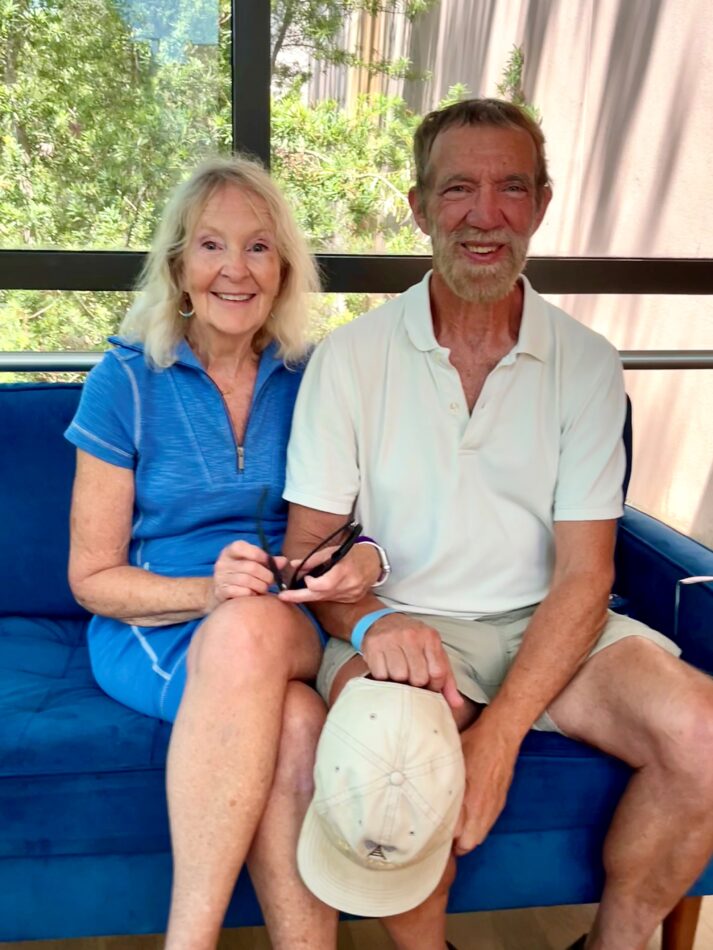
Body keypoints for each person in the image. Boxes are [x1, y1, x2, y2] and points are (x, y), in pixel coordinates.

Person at [279, 99, 713, 950]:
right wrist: (372, 620)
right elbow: (307, 558)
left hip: (550, 623)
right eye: (458, 190)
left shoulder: (585, 363)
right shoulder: (350, 359)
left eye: (511, 188)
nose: (485, 216)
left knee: (702, 734)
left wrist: (500, 735)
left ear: (541, 204)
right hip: (404, 626)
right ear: (418, 207)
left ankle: (615, 941)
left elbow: (586, 574)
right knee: (396, 764)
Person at [65, 156, 382, 950]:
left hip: (283, 615)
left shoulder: (314, 378)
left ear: (283, 269)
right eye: (211, 246)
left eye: (258, 248)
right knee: (299, 719)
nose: (234, 270)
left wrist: (364, 558)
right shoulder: (125, 380)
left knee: (251, 631)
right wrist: (206, 591)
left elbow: (362, 525)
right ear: (178, 266)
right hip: (158, 619)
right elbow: (92, 578)